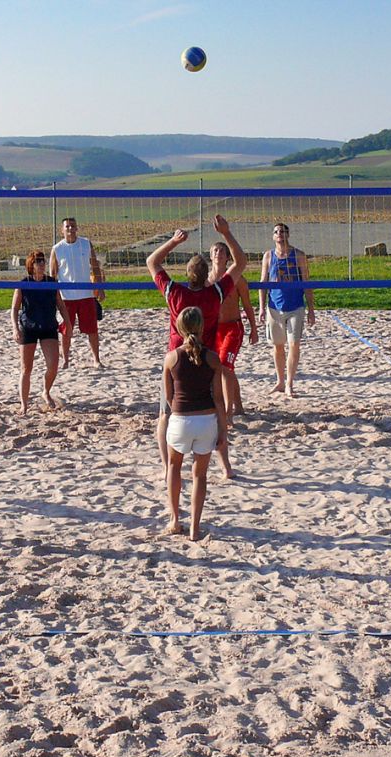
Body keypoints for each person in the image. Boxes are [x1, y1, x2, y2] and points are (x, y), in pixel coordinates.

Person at [146, 214, 245, 479]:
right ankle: (226, 467)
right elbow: (241, 263)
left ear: (188, 275)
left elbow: (151, 261)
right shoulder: (215, 293)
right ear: (205, 276)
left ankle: (168, 466)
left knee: (166, 414)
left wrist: (174, 241)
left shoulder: (175, 293)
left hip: (177, 360)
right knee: (216, 410)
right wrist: (226, 232)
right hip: (206, 359)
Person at [163, 307, 227, 541]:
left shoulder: (172, 358)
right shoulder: (212, 358)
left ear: (179, 329)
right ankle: (195, 528)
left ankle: (175, 520)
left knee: (173, 467)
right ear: (202, 327)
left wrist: (179, 414)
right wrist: (223, 429)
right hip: (206, 420)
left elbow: (168, 397)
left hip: (181, 418)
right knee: (200, 475)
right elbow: (219, 398)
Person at [11, 250, 71, 414]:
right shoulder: (23, 284)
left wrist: (68, 322)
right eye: (38, 261)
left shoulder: (51, 283)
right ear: (31, 264)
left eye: (43, 260)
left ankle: (45, 391)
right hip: (28, 327)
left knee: (53, 365)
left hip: (48, 326)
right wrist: (15, 328)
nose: (42, 263)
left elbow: (61, 305)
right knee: (26, 369)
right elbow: (15, 309)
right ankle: (24, 404)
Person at [258, 223, 315, 397]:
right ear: (273, 236)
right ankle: (280, 382)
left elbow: (307, 284)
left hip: (295, 306)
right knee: (278, 346)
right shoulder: (268, 256)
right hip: (274, 307)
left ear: (288, 234)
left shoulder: (299, 256)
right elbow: (263, 283)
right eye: (276, 232)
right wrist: (260, 307)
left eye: (282, 231)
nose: (280, 234)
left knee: (294, 344)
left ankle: (289, 383)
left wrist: (311, 309)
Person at [208, 240, 258, 425]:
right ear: (210, 255)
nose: (218, 253)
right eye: (215, 250)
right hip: (214, 330)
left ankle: (228, 413)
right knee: (224, 368)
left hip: (232, 328)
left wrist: (254, 328)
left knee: (224, 366)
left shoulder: (237, 279)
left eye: (222, 251)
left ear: (228, 257)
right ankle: (239, 406)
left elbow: (247, 305)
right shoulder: (206, 280)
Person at [49, 217, 104, 368]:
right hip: (67, 297)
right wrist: (53, 296)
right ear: (62, 230)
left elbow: (95, 267)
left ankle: (96, 359)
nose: (70, 229)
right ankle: (66, 360)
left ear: (77, 228)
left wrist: (99, 287)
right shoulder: (57, 249)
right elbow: (53, 275)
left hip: (86, 294)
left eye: (73, 226)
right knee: (66, 331)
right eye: (67, 227)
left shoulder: (86, 244)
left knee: (92, 329)